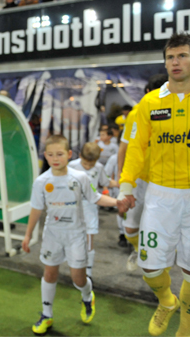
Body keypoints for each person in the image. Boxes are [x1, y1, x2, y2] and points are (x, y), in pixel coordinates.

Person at [118, 33, 190, 337]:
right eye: (170, 57)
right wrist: (126, 186)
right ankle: (166, 301)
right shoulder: (150, 102)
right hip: (160, 194)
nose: (175, 62)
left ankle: (185, 332)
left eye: (182, 55)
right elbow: (135, 148)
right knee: (150, 266)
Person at [22, 135, 122, 335]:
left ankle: (87, 296)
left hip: (76, 235)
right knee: (49, 273)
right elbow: (36, 209)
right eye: (51, 155)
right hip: (52, 235)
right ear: (45, 156)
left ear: (69, 154)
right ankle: (47, 315)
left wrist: (118, 202)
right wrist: (27, 235)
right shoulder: (41, 181)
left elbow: (96, 197)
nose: (55, 158)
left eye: (59, 154)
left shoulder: (80, 177)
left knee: (78, 279)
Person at [117, 74, 168, 272]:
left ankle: (159, 265)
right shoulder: (136, 113)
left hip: (164, 180)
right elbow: (125, 147)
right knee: (130, 228)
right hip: (138, 179)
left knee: (163, 227)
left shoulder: (176, 111)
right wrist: (121, 178)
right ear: (147, 93)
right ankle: (138, 249)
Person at [68, 143, 112, 278]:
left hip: (90, 207)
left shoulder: (99, 167)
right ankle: (75, 267)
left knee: (89, 239)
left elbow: (106, 182)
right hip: (72, 207)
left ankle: (88, 272)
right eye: (85, 163)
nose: (87, 167)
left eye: (91, 164)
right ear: (80, 156)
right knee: (73, 238)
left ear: (97, 160)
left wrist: (123, 183)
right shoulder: (72, 166)